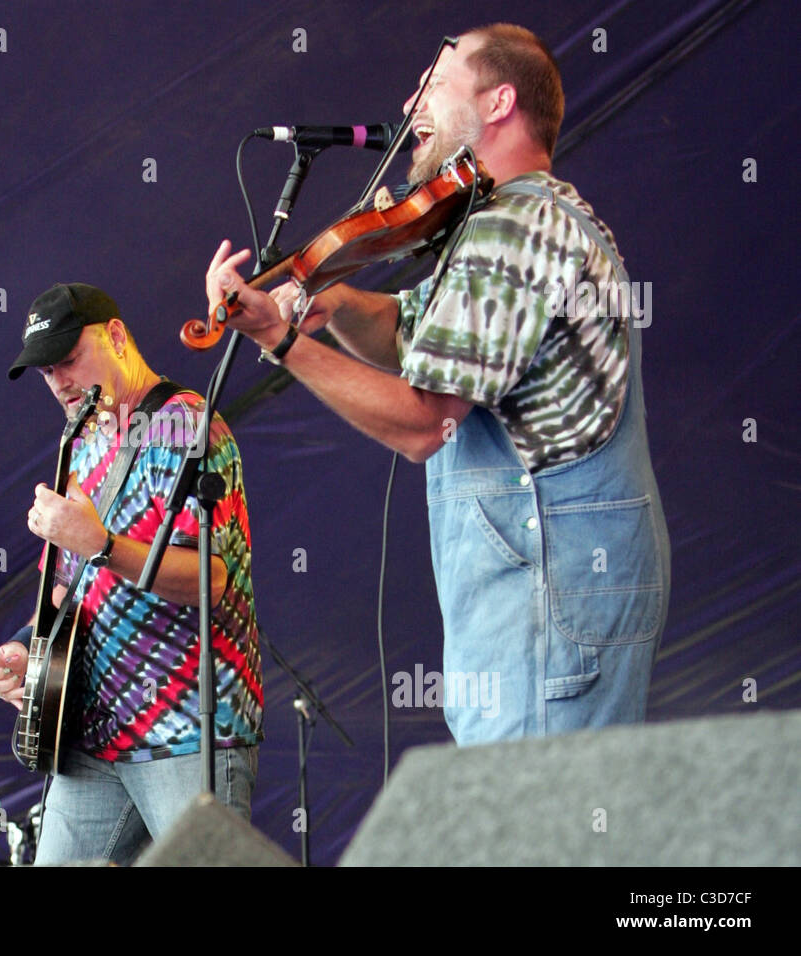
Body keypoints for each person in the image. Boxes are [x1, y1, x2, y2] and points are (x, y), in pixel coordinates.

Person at [205, 24, 669, 746]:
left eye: (436, 84)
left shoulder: (517, 229)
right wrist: (334, 303)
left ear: (499, 102)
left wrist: (280, 338)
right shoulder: (508, 221)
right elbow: (411, 335)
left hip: (545, 597)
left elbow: (426, 422)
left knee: (535, 838)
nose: (411, 101)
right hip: (533, 598)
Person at [0, 282, 262, 864]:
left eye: (68, 359)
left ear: (115, 336)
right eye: (46, 370)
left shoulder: (187, 426)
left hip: (184, 727)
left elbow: (211, 580)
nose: (58, 380)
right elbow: (65, 584)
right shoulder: (80, 440)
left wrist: (103, 543)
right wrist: (21, 650)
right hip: (91, 730)